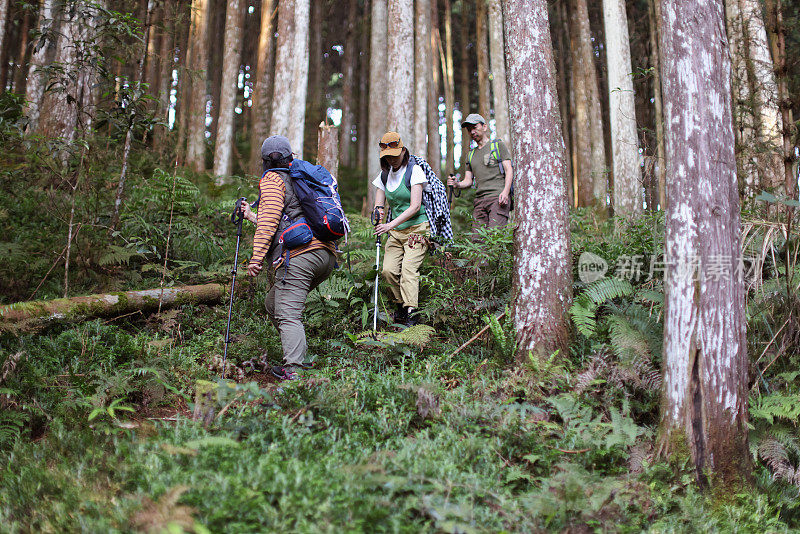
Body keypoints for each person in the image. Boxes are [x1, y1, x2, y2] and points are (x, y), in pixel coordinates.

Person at [241, 136, 338, 381]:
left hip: (300, 256)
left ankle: (295, 372)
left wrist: (256, 258)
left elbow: (269, 222)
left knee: (287, 314)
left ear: (264, 161)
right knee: (273, 303)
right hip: (324, 254)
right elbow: (286, 219)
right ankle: (296, 351)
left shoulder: (273, 179)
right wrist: (252, 215)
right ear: (290, 157)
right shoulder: (300, 177)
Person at [372, 132, 429, 327]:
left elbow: (415, 206)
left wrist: (389, 225)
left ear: (404, 151)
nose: (392, 159)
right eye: (388, 156)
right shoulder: (384, 176)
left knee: (408, 271)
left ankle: (412, 314)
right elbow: (379, 204)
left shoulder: (415, 172)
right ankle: (401, 307)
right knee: (388, 271)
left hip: (417, 229)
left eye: (395, 155)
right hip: (396, 233)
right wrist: (378, 213)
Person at [447, 113, 513, 231]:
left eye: (475, 127)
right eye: (469, 129)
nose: (472, 132)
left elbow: (509, 170)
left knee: (495, 237)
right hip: (479, 202)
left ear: (484, 127)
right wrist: (457, 184)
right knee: (477, 241)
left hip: (498, 198)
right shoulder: (471, 155)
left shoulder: (498, 146)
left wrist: (506, 192)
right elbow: (468, 181)